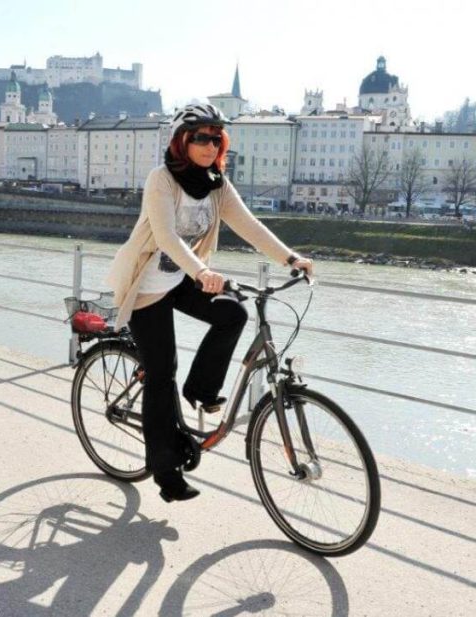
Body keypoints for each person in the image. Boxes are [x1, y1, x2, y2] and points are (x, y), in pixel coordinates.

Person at [107, 103, 313, 503]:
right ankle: (166, 474)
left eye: (215, 137)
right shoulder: (161, 179)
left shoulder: (217, 183)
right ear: (182, 141)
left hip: (183, 278)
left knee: (232, 313)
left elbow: (249, 225)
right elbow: (166, 237)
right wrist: (203, 271)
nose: (208, 143)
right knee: (161, 371)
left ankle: (200, 392)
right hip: (148, 287)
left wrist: (291, 258)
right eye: (200, 136)